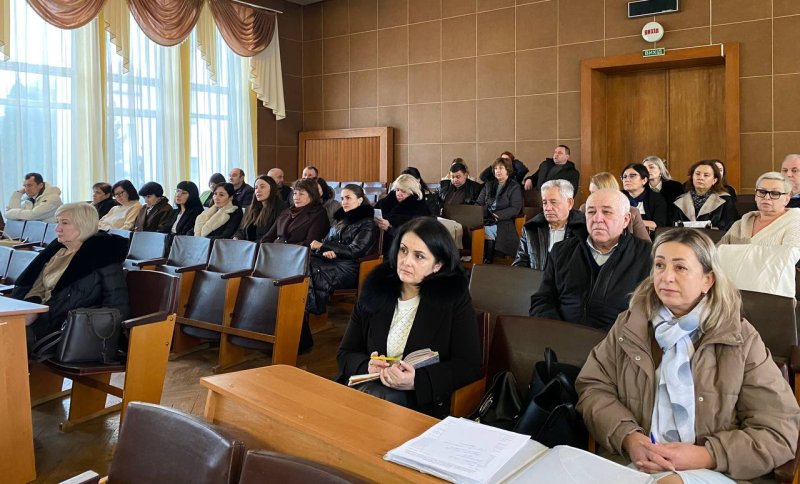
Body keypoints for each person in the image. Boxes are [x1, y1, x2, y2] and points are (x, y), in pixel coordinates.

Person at [576, 229, 800, 481]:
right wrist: (629, 437)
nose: (666, 277)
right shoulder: (631, 325)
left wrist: (707, 455)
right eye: (659, 265)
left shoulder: (740, 338)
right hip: (635, 460)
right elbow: (593, 387)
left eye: (680, 268)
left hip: (714, 468)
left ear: (707, 280)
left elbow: (778, 430)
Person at [336, 217, 481, 418]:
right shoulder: (375, 291)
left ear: (438, 264)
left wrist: (416, 381)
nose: (406, 261)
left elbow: (469, 365)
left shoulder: (453, 299)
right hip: (368, 391)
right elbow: (346, 352)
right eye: (403, 250)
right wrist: (367, 366)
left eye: (419, 256)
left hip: (418, 402)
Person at [530, 189, 652, 330]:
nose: (597, 219)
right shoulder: (562, 251)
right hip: (563, 336)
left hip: (617, 340)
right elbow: (542, 300)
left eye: (607, 212)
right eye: (591, 212)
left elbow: (655, 312)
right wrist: (557, 331)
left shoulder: (647, 255)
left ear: (626, 220)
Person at [11, 202, 129, 347]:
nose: (57, 228)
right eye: (58, 222)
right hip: (40, 319)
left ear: (83, 225)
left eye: (65, 223)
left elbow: (116, 305)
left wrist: (38, 315)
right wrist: (32, 309)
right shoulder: (57, 251)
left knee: (7, 337)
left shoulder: (103, 256)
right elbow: (38, 288)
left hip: (68, 330)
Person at [307, 184, 377, 316]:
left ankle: (313, 312)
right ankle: (304, 312)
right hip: (331, 261)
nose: (344, 202)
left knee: (310, 268)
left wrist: (324, 246)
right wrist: (324, 251)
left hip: (350, 267)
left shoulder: (367, 223)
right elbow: (326, 242)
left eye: (348, 198)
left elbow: (355, 250)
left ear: (360, 200)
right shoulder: (340, 221)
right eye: (342, 198)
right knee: (303, 263)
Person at [513, 179, 587, 270]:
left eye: (553, 202)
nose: (547, 208)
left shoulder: (584, 229)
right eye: (545, 202)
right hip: (536, 278)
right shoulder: (531, 228)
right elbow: (520, 264)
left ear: (569, 203)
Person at [719, 171, 800, 246]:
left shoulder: (796, 223)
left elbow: (790, 255)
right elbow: (718, 251)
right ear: (755, 196)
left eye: (775, 193)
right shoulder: (741, 223)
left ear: (787, 199)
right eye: (762, 192)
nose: (766, 197)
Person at [476, 157, 523, 262]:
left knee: (486, 230)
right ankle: (481, 259)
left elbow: (515, 208)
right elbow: (479, 203)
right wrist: (476, 214)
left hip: (503, 220)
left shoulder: (514, 187)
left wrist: (497, 215)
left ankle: (488, 260)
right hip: (485, 218)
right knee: (474, 228)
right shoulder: (489, 185)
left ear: (508, 170)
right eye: (495, 168)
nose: (497, 171)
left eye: (501, 168)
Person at [582, 172, 650, 241]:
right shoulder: (584, 208)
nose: (591, 197)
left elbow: (645, 243)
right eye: (591, 193)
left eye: (596, 193)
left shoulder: (632, 212)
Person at [261, 178, 329, 246]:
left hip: (295, 251)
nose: (296, 197)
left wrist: (281, 249)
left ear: (312, 196)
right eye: (295, 193)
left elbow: (310, 243)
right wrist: (265, 248)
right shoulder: (286, 211)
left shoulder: (319, 213)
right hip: (275, 249)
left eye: (301, 194)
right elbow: (268, 237)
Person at [672, 160, 738, 231]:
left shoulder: (725, 199)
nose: (700, 178)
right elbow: (673, 227)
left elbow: (728, 225)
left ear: (714, 180)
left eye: (706, 175)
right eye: (697, 174)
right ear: (692, 177)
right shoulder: (680, 200)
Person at [375, 174, 431, 253]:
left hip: (406, 251)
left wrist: (389, 228)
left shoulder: (420, 209)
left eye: (403, 191)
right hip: (382, 248)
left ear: (412, 192)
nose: (399, 193)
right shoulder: (386, 203)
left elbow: (415, 236)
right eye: (397, 190)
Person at [233, 175, 287, 242]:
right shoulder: (250, 209)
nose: (258, 190)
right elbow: (241, 229)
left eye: (262, 187)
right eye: (256, 188)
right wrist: (236, 238)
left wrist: (254, 245)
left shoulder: (281, 207)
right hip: (247, 246)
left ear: (272, 189)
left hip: (264, 246)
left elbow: (273, 234)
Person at [621, 163, 668, 230]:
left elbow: (658, 224)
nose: (627, 180)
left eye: (632, 176)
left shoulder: (656, 199)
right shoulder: (618, 197)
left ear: (644, 180)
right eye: (624, 177)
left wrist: (631, 222)